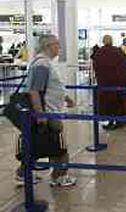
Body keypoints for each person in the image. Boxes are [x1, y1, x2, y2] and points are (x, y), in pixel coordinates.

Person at [16, 34, 76, 187]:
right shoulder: (42, 64)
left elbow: (52, 86)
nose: (59, 47)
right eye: (57, 44)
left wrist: (67, 99)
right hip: (48, 112)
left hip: (48, 110)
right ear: (48, 46)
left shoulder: (45, 63)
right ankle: (59, 176)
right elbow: (34, 91)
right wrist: (41, 114)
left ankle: (24, 173)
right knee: (58, 144)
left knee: (38, 142)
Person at [93, 35, 126, 130]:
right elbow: (125, 65)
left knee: (107, 104)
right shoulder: (118, 51)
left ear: (103, 42)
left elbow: (96, 66)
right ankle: (119, 121)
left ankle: (110, 121)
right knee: (117, 102)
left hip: (104, 84)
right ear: (112, 41)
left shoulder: (99, 52)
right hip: (117, 83)